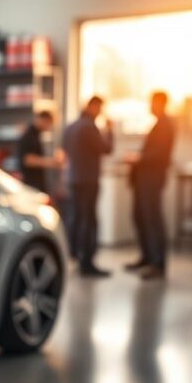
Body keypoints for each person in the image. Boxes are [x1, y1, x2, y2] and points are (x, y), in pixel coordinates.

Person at [125, 91, 177, 280]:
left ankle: (157, 263)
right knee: (141, 217)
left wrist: (138, 157)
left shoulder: (166, 125)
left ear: (161, 103)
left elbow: (160, 155)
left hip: (152, 179)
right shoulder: (158, 124)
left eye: (152, 103)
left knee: (152, 220)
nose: (150, 106)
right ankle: (146, 258)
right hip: (143, 179)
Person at [63, 96, 113, 277]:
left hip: (73, 178)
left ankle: (74, 255)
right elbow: (106, 149)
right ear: (93, 106)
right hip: (88, 180)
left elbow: (65, 149)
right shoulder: (90, 127)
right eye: (99, 108)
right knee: (89, 220)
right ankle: (88, 263)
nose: (100, 112)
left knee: (76, 217)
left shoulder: (70, 126)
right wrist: (110, 131)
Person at [16, 110, 65, 193]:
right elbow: (28, 160)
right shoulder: (30, 135)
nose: (49, 127)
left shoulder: (35, 134)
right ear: (43, 120)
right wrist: (52, 162)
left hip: (35, 182)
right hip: (31, 182)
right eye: (49, 123)